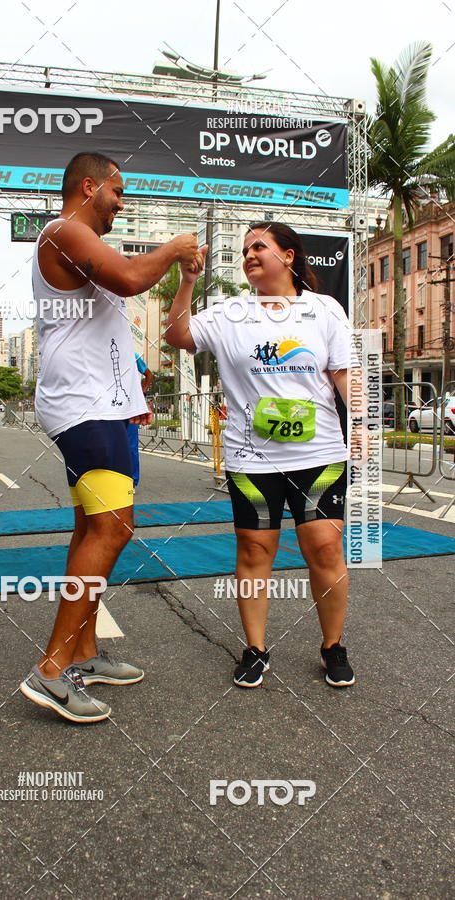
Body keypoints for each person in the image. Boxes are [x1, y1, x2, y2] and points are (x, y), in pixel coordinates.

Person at [19, 151, 200, 723]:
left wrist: (131, 394)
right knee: (113, 528)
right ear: (89, 187)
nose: (121, 204)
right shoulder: (63, 230)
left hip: (102, 406)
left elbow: (104, 327)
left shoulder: (80, 244)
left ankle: (85, 654)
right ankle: (51, 670)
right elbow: (128, 277)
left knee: (90, 528)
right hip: (83, 407)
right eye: (117, 193)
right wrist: (174, 247)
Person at [166, 221, 355, 690]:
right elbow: (177, 335)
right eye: (245, 249)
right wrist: (188, 281)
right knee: (255, 549)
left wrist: (365, 426)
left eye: (259, 246)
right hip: (252, 459)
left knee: (325, 547)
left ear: (288, 256)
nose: (249, 254)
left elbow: (343, 374)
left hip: (319, 453)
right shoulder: (229, 314)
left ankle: (333, 646)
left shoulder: (324, 309)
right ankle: (255, 648)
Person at [126, 352, 153, 487]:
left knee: (131, 445)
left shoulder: (133, 355)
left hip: (131, 406)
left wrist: (142, 392)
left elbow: (149, 374)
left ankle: (133, 481)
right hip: (111, 408)